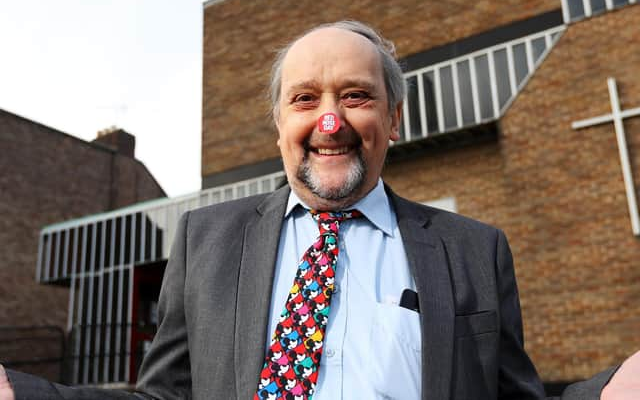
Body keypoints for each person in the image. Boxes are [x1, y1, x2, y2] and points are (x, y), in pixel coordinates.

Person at [1, 20, 638, 400]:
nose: (329, 121)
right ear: (280, 124)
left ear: (393, 118)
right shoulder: (207, 241)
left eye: (356, 96)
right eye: (305, 99)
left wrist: (607, 392)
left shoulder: (473, 249)